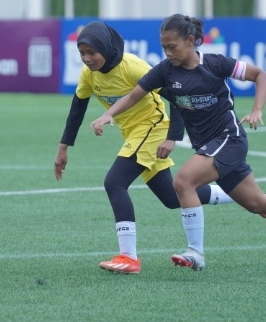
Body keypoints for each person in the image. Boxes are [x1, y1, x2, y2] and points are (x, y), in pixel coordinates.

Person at [89, 14, 266, 271]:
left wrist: (257, 109)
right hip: (209, 146)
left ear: (190, 41)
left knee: (183, 181)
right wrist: (109, 114)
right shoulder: (164, 71)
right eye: (164, 47)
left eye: (172, 46)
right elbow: (133, 96)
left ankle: (195, 252)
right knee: (257, 203)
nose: (168, 52)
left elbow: (260, 75)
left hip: (229, 139)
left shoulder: (216, 64)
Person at [54, 21, 237, 275]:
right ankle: (235, 193)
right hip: (134, 133)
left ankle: (129, 257)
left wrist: (173, 137)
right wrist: (63, 148)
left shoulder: (132, 67)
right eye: (82, 53)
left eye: (91, 52)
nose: (86, 58)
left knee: (115, 182)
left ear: (106, 48)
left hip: (153, 127)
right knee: (171, 198)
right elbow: (77, 108)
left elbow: (177, 96)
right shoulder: (89, 74)